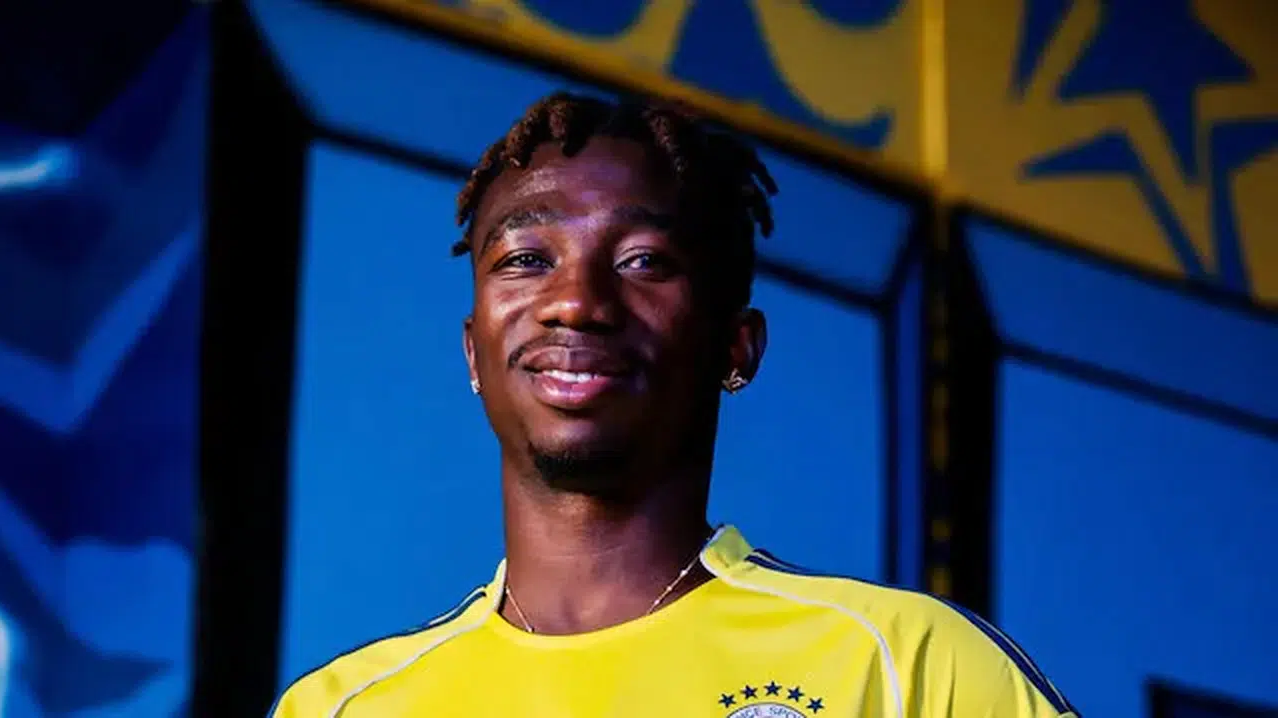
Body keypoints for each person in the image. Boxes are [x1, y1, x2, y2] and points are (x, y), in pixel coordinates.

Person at [270, 92, 1079, 717]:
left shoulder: (910, 668)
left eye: (643, 261)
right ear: (473, 352)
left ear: (736, 348)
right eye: (525, 258)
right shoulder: (342, 706)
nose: (575, 303)